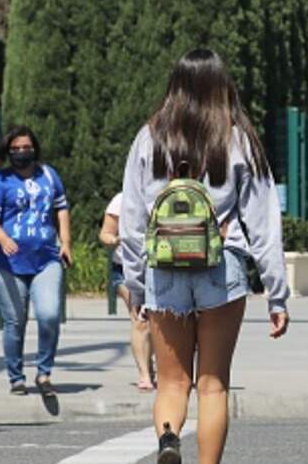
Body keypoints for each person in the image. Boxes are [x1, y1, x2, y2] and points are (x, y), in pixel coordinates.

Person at [119, 48, 290, 464]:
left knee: (171, 383)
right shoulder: (237, 138)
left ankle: (168, 437)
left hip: (163, 269)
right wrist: (277, 293)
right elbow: (263, 222)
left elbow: (133, 220)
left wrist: (136, 286)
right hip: (221, 263)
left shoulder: (150, 137)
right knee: (213, 384)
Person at [0, 125, 73, 398]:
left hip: (46, 260)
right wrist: (3, 238)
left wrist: (66, 242)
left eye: (26, 147)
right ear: (8, 152)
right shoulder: (0, 181)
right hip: (7, 265)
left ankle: (44, 373)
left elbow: (61, 208)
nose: (21, 152)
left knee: (49, 315)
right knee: (15, 321)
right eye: (15, 149)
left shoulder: (49, 175)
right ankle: (16, 377)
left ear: (34, 149)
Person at [99, 192, 155, 391]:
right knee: (140, 319)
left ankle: (150, 362)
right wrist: (115, 240)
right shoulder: (121, 200)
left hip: (158, 267)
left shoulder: (163, 195)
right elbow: (105, 233)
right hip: (125, 268)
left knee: (156, 322)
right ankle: (145, 374)